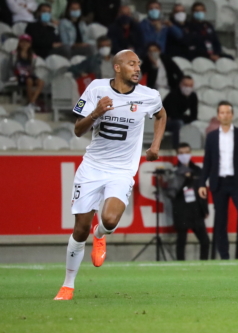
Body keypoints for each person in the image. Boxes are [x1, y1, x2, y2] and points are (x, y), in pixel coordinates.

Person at [53, 50, 167, 300]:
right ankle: (68, 284)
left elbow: (161, 114)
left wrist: (155, 144)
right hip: (92, 168)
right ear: (117, 68)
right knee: (80, 230)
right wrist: (95, 113)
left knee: (111, 219)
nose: (137, 68)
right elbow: (77, 130)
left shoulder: (149, 95)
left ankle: (100, 234)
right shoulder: (96, 89)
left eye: (139, 64)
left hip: (122, 170)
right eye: (131, 64)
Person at [198, 101, 238, 260]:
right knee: (220, 220)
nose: (224, 115)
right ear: (218, 115)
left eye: (227, 112)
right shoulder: (211, 137)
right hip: (219, 183)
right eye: (221, 113)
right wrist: (202, 183)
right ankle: (224, 255)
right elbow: (207, 162)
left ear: (232, 115)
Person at [165, 143, 209, 261]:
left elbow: (204, 191)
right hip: (182, 210)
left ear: (190, 153)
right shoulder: (174, 171)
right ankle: (180, 265)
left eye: (186, 152)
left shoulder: (198, 171)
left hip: (196, 210)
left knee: (205, 241)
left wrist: (205, 209)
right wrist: (182, 176)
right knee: (181, 241)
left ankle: (203, 265)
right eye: (181, 153)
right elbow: (171, 192)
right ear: (177, 154)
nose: (184, 155)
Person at [9, 34, 44, 111]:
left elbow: (33, 68)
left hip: (29, 74)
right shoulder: (14, 54)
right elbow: (11, 67)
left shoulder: (32, 56)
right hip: (19, 75)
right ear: (19, 43)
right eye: (23, 42)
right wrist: (12, 77)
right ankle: (31, 103)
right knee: (29, 81)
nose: (25, 44)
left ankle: (31, 102)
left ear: (30, 44)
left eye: (27, 42)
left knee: (41, 82)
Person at [162, 75, 198, 148]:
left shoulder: (193, 96)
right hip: (163, 122)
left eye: (190, 85)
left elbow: (194, 116)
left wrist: (185, 118)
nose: (188, 88)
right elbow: (173, 115)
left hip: (176, 119)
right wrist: (186, 118)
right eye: (186, 85)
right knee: (178, 123)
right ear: (180, 85)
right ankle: (176, 148)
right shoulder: (173, 95)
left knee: (193, 124)